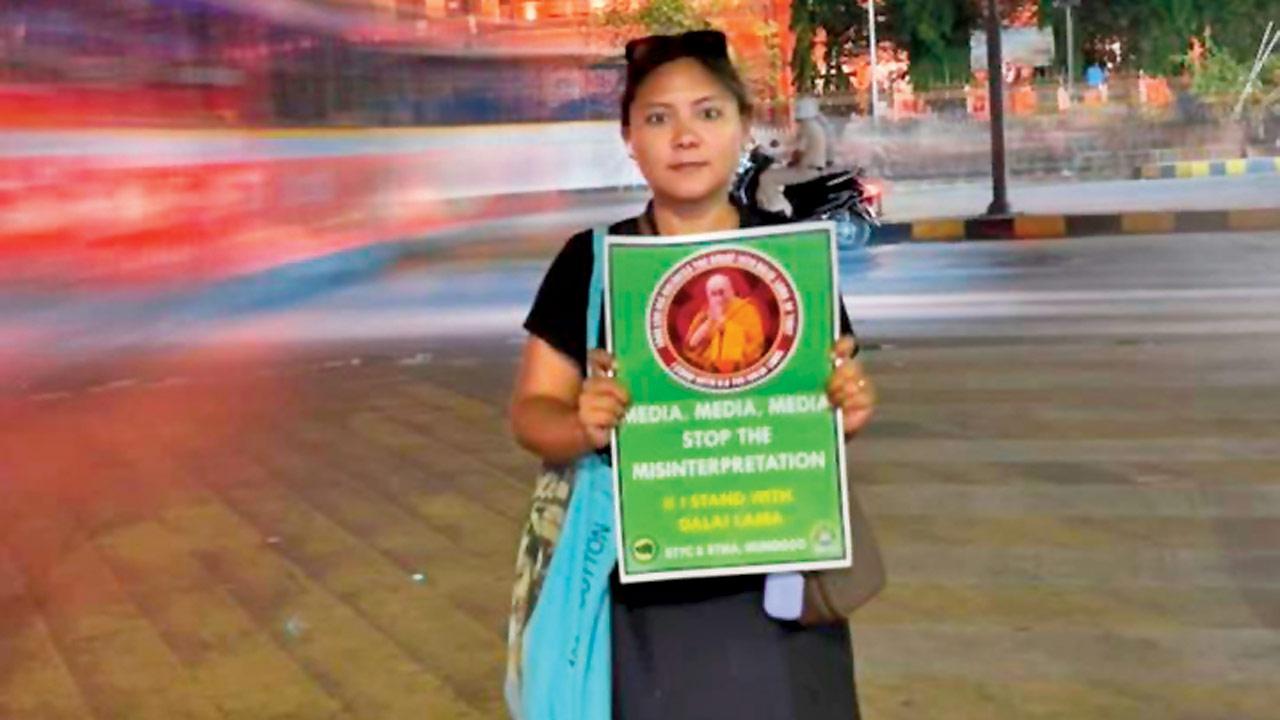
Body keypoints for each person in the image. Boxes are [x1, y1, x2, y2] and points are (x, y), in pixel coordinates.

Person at [509, 29, 877, 719]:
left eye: (708, 113)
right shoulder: (589, 264)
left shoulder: (791, 262)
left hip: (778, 582)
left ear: (744, 126)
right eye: (658, 117)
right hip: (639, 598)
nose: (685, 136)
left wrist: (848, 411)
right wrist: (579, 424)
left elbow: (830, 405)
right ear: (628, 137)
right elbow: (531, 412)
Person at [683, 272, 766, 373]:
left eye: (721, 292)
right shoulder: (705, 312)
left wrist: (724, 324)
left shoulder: (746, 309)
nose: (718, 297)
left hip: (739, 369)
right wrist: (710, 321)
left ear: (731, 290)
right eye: (713, 293)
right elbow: (692, 345)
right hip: (708, 371)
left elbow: (755, 344)